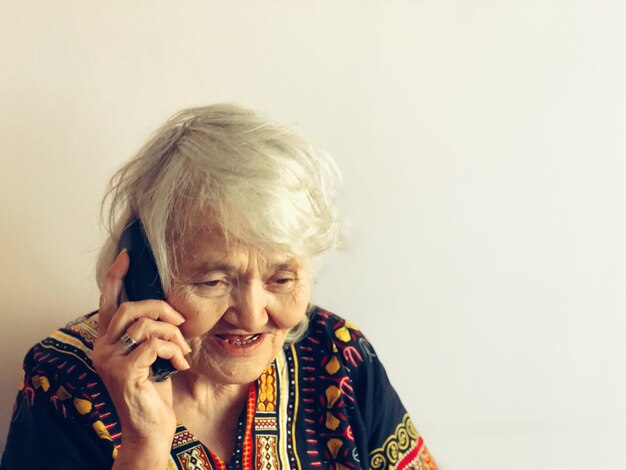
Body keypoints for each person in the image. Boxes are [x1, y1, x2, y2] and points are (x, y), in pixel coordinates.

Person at [1, 104, 437, 469]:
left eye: (281, 278)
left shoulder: (338, 357)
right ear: (146, 275)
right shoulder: (62, 382)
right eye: (212, 281)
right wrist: (143, 445)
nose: (251, 314)